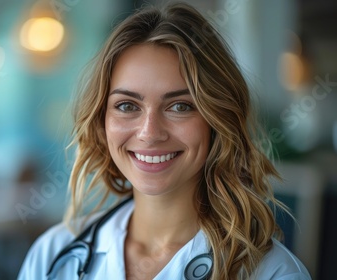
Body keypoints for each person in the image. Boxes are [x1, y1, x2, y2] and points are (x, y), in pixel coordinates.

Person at [18, 2, 312, 280]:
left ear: (217, 122)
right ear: (101, 121)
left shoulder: (273, 272)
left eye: (180, 106)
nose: (149, 132)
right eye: (127, 105)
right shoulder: (53, 256)